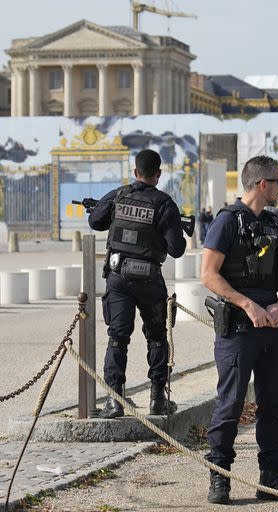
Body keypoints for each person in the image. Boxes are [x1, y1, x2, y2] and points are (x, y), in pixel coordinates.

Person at [201, 155, 278, 504]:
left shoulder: (275, 225)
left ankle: (271, 478)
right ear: (263, 184)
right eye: (277, 182)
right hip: (238, 330)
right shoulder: (227, 222)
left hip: (273, 329)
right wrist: (248, 304)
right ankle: (221, 476)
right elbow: (209, 275)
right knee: (230, 404)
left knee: (273, 407)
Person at [88, 149, 186, 419]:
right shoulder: (165, 203)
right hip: (150, 280)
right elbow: (177, 249)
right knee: (156, 338)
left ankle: (114, 401)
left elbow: (95, 221)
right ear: (158, 174)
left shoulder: (119, 195)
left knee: (117, 339)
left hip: (119, 278)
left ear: (135, 172)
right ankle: (157, 400)